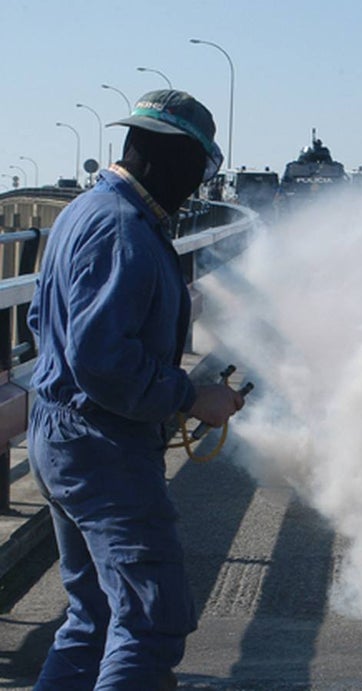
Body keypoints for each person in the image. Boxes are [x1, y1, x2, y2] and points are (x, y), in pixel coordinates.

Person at [26, 89, 245, 690]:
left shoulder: (84, 211)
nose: (197, 184)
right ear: (162, 156)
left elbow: (43, 325)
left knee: (93, 618)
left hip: (61, 435)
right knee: (150, 621)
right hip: (103, 449)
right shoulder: (124, 229)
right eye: (198, 168)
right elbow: (103, 360)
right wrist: (188, 397)